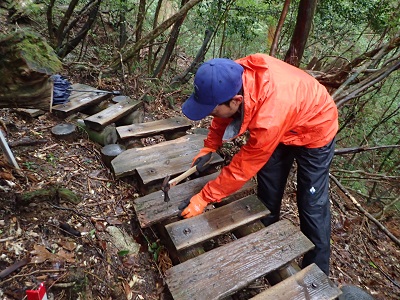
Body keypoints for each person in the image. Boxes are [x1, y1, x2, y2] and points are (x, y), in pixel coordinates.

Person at [180, 53, 338, 275]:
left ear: (236, 101)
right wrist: (210, 145)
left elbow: (243, 167)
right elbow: (220, 112)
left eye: (212, 110)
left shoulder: (268, 117)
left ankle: (317, 272)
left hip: (316, 127)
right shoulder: (229, 76)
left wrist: (205, 197)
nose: (211, 114)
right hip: (285, 120)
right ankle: (264, 236)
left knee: (311, 204)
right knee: (269, 184)